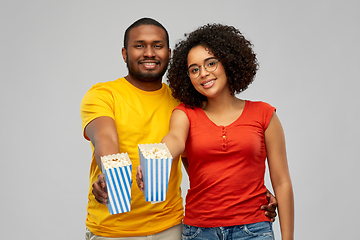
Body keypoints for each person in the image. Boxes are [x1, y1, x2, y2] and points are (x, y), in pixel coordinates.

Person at [83, 18, 278, 240]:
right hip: (112, 230)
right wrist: (109, 173)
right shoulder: (102, 95)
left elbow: (201, 162)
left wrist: (250, 193)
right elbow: (105, 137)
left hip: (171, 227)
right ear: (125, 53)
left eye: (157, 46)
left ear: (169, 53)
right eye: (139, 45)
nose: (149, 53)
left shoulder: (183, 104)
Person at [139, 23, 294, 239]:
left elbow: (282, 182)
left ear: (228, 62)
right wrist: (156, 156)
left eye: (210, 63)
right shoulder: (185, 114)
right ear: (188, 77)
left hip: (254, 230)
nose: (204, 73)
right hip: (199, 232)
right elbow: (174, 139)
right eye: (194, 69)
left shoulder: (264, 114)